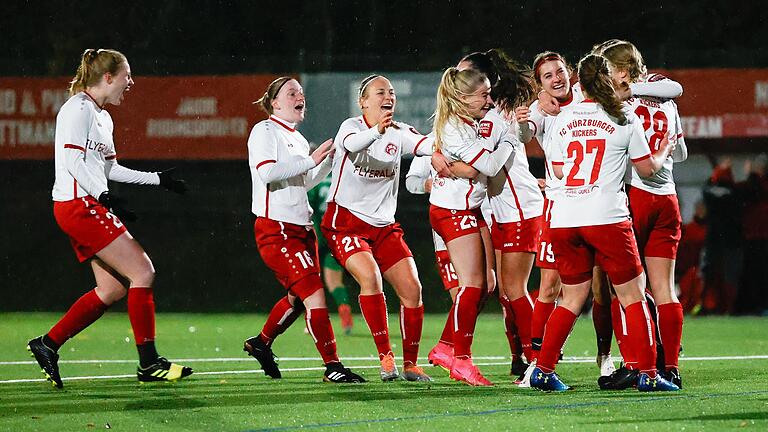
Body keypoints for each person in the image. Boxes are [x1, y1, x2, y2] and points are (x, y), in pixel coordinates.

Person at [27, 48, 192, 389]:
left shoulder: (103, 116)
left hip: (86, 204)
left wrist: (157, 179)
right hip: (79, 205)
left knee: (112, 288)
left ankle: (47, 344)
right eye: (126, 76)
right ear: (107, 77)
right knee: (143, 271)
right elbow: (73, 163)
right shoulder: (77, 109)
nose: (130, 83)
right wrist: (102, 197)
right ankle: (149, 363)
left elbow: (110, 168)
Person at [530, 53, 679, 392]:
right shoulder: (625, 117)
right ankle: (649, 375)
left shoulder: (564, 117)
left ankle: (543, 369)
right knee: (633, 295)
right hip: (606, 216)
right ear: (609, 79)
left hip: (565, 217)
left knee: (571, 298)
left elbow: (557, 169)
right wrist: (664, 149)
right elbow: (646, 169)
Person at [244, 76, 365, 383]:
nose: (300, 96)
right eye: (291, 92)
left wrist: (325, 164)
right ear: (275, 102)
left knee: (298, 299)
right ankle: (333, 366)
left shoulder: (297, 138)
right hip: (277, 229)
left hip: (302, 229)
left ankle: (261, 343)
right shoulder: (265, 130)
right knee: (314, 295)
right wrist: (311, 160)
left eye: (301, 92)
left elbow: (302, 183)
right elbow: (268, 173)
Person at [321, 75, 434, 382]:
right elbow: (352, 145)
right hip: (345, 223)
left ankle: (410, 364)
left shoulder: (398, 132)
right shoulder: (352, 127)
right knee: (370, 277)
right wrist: (376, 131)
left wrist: (452, 135)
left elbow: (427, 145)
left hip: (383, 227)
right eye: (381, 92)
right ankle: (386, 358)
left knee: (413, 289)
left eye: (392, 92)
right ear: (364, 101)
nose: (389, 96)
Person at [514, 51, 616, 384]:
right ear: (539, 83)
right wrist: (523, 121)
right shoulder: (542, 109)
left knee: (602, 287)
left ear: (570, 72)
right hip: (560, 206)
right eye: (547, 76)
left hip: (597, 204)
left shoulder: (588, 100)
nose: (556, 79)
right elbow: (526, 134)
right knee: (549, 286)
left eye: (559, 71)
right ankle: (538, 362)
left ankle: (605, 356)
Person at [596, 39, 688, 388]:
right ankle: (671, 366)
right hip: (668, 198)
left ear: (620, 71)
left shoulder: (620, 101)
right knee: (665, 289)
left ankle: (635, 362)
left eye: (608, 70)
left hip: (634, 196)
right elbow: (679, 152)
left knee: (626, 290)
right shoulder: (664, 96)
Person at [429, 67, 517, 386]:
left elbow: (478, 170)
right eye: (483, 95)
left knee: (487, 285)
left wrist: (461, 165)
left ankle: (444, 347)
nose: (489, 100)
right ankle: (461, 359)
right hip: (454, 209)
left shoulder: (465, 122)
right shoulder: (455, 127)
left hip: (470, 208)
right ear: (463, 98)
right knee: (472, 285)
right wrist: (510, 139)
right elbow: (492, 166)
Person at [456, 49, 541, 381]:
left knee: (516, 289)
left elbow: (486, 167)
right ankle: (525, 359)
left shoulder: (495, 118)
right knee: (508, 292)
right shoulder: (490, 115)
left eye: (464, 76)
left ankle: (540, 361)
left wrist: (447, 162)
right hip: (505, 211)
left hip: (520, 210)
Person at [307, 174, 354, 334]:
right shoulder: (343, 175)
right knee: (335, 281)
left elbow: (307, 208)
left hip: (319, 235)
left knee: (307, 280)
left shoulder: (315, 179)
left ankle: (312, 319)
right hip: (340, 234)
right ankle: (344, 311)